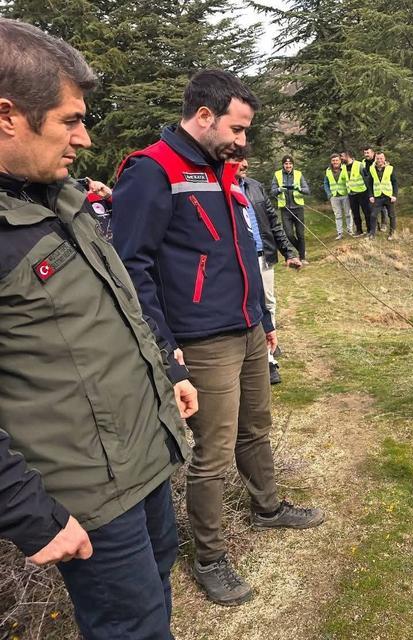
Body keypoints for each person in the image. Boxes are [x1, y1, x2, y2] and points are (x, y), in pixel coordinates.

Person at [0, 18, 195, 639]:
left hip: (144, 455)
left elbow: (113, 305)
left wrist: (167, 369)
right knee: (129, 626)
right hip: (85, 495)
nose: (85, 138)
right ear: (7, 116)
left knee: (159, 584)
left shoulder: (57, 200)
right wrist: (26, 512)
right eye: (69, 120)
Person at [113, 69, 325, 607]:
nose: (242, 141)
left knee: (257, 426)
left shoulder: (222, 169)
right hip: (202, 338)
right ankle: (209, 556)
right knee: (212, 450)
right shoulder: (152, 171)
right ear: (203, 116)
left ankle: (268, 507)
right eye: (237, 128)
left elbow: (237, 252)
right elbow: (131, 268)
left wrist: (264, 319)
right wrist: (167, 351)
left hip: (248, 325)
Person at [236, 155, 301, 385]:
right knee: (250, 305)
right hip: (240, 261)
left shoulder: (255, 187)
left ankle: (269, 354)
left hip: (264, 257)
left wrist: (289, 252)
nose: (244, 164)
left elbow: (273, 222)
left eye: (245, 159)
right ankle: (261, 358)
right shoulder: (222, 189)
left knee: (268, 303)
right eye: (237, 159)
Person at [271, 154, 310, 262]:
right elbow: (272, 191)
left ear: (293, 165)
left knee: (300, 234)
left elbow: (307, 190)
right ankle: (301, 250)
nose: (288, 166)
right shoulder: (277, 175)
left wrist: (299, 189)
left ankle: (302, 257)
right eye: (286, 164)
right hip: (285, 209)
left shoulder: (298, 174)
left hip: (298, 208)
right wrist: (279, 189)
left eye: (290, 164)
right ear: (283, 165)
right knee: (288, 234)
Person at [369, 150, 398, 240]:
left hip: (388, 196)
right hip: (377, 196)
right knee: (373, 215)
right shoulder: (372, 169)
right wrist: (371, 195)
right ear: (375, 159)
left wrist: (394, 195)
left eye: (381, 158)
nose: (379, 160)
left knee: (391, 215)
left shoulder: (390, 168)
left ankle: (392, 233)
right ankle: (372, 234)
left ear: (384, 158)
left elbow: (394, 183)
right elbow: (370, 183)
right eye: (377, 158)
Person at [342, 149, 372, 237]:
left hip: (362, 192)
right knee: (355, 213)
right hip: (351, 193)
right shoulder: (343, 166)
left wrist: (369, 192)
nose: (341, 158)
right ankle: (359, 230)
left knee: (366, 212)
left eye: (342, 156)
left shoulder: (359, 165)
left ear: (348, 156)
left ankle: (370, 229)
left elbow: (366, 178)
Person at [323, 152, 352, 239]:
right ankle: (339, 233)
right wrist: (329, 193)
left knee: (348, 213)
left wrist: (349, 191)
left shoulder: (345, 168)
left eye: (337, 160)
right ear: (331, 161)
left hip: (345, 194)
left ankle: (350, 230)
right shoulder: (328, 171)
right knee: (338, 215)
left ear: (340, 161)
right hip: (334, 196)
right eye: (333, 160)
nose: (335, 162)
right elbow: (326, 183)